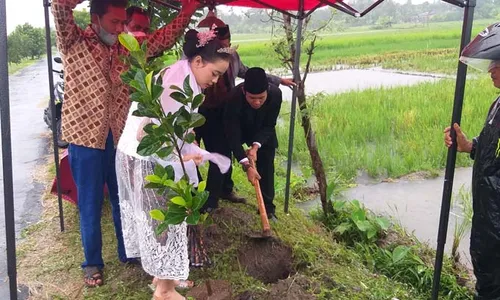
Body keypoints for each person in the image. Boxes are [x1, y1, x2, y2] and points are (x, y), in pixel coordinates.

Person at [51, 0, 198, 288]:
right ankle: (92, 262)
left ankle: (127, 251)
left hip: (119, 138)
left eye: (123, 23)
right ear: (95, 18)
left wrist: (186, 13)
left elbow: (161, 39)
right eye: (115, 23)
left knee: (124, 197)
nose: (121, 29)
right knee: (90, 202)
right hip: (84, 138)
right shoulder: (73, 41)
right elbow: (59, 6)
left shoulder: (127, 49)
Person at [116, 29, 231, 300]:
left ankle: (162, 278)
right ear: (198, 61)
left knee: (166, 216)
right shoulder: (176, 82)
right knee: (168, 217)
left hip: (147, 156)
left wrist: (188, 145)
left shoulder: (185, 76)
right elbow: (145, 133)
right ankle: (164, 291)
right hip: (146, 158)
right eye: (214, 74)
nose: (215, 81)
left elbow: (177, 127)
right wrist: (182, 156)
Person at [195, 19, 294, 212]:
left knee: (247, 158)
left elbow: (250, 74)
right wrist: (246, 163)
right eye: (221, 46)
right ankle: (203, 198)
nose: (226, 49)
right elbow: (232, 134)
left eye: (228, 44)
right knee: (208, 153)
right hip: (205, 111)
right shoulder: (199, 60)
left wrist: (278, 80)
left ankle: (254, 203)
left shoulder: (234, 59)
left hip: (241, 117)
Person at [445, 35, 500, 298]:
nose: (491, 70)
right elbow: (493, 150)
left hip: (497, 216)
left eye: (498, 64)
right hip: (487, 214)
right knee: (487, 276)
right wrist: (470, 146)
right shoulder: (498, 104)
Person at [224, 67, 283, 221]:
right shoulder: (233, 98)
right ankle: (223, 191)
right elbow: (232, 132)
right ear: (244, 91)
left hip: (262, 130)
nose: (257, 102)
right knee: (224, 151)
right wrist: (246, 164)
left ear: (268, 91)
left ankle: (268, 209)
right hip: (240, 129)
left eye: (261, 98)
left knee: (267, 167)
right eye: (252, 98)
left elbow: (270, 125)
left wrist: (256, 146)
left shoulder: (276, 94)